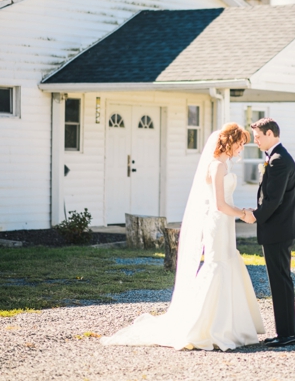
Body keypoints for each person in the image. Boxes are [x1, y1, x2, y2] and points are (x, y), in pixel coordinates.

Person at [101, 123, 264, 350]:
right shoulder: (217, 166)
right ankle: (208, 326)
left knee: (227, 262)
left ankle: (230, 324)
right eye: (240, 143)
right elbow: (219, 204)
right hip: (218, 223)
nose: (242, 148)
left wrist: (239, 212)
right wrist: (243, 214)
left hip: (226, 223)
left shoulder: (223, 165)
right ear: (229, 142)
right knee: (217, 265)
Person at [249, 117, 295, 348]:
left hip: (278, 229)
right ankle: (287, 332)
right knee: (280, 281)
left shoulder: (279, 161)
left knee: (280, 281)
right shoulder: (278, 158)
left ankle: (287, 334)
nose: (256, 141)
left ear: (270, 133)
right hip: (279, 229)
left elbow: (274, 200)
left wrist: (255, 216)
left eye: (258, 137)